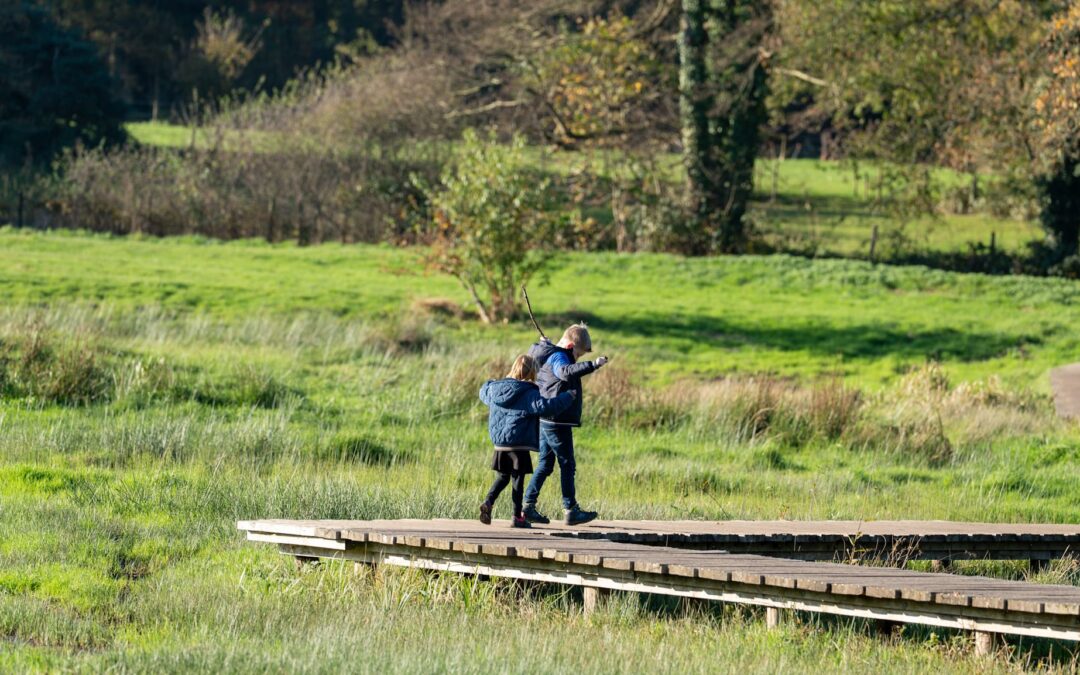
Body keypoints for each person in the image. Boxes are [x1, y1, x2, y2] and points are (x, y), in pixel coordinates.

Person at [523, 323, 609, 526]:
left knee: (545, 464)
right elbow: (564, 372)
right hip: (557, 420)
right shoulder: (560, 357)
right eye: (578, 355)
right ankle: (570, 509)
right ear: (570, 347)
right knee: (567, 464)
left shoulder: (553, 353)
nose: (577, 359)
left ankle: (527, 506)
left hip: (547, 417)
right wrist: (592, 365)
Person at [478, 354, 576, 528]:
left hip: (500, 444)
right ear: (532, 372)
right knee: (518, 479)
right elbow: (546, 407)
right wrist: (568, 396)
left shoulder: (494, 389)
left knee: (503, 477)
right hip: (518, 443)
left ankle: (488, 501)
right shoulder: (529, 393)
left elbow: (483, 391)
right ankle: (517, 517)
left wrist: (490, 382)